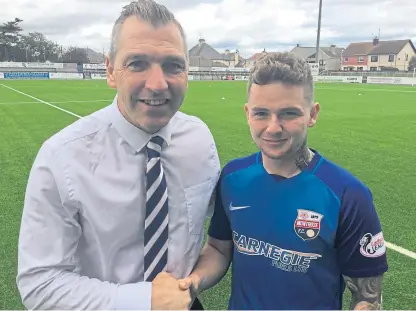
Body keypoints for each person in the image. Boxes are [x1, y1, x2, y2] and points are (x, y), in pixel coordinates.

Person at [16, 0, 220, 310]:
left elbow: (222, 220)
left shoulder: (199, 139)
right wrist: (143, 301)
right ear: (111, 71)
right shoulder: (62, 158)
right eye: (137, 63)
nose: (157, 83)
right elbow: (39, 284)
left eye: (173, 65)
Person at [178, 52, 388, 310]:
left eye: (288, 113)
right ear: (247, 113)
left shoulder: (347, 194)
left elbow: (367, 297)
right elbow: (218, 249)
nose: (273, 127)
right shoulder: (232, 177)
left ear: (312, 114)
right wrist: (192, 283)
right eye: (261, 113)